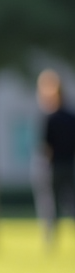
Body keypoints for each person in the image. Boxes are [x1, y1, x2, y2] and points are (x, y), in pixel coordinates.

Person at [37, 69, 75, 248]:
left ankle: (51, 242)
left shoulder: (49, 118)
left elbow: (46, 146)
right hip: (70, 165)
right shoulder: (70, 117)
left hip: (54, 167)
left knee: (50, 204)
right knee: (71, 203)